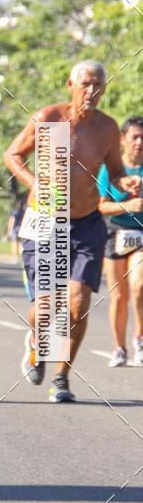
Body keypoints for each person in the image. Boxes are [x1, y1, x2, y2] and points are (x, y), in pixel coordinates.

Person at [4, 60, 141, 403]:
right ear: (70, 84)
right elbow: (13, 155)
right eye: (84, 84)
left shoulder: (108, 129)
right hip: (45, 221)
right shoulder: (49, 119)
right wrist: (35, 183)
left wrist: (127, 181)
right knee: (47, 308)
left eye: (97, 85)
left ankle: (61, 376)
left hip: (85, 223)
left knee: (78, 306)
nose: (91, 91)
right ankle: (37, 343)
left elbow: (115, 171)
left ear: (104, 89)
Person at [97, 116, 143, 367]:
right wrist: (127, 205)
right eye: (134, 137)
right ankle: (119, 348)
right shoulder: (111, 169)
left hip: (141, 235)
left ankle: (139, 337)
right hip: (114, 234)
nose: (139, 142)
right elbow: (101, 207)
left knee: (140, 284)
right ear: (123, 139)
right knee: (118, 296)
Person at [6, 197, 25, 261]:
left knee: (14, 243)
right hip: (22, 228)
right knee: (21, 243)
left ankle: (16, 257)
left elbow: (12, 220)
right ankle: (22, 256)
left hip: (15, 228)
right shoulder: (24, 212)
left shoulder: (15, 212)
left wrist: (9, 230)